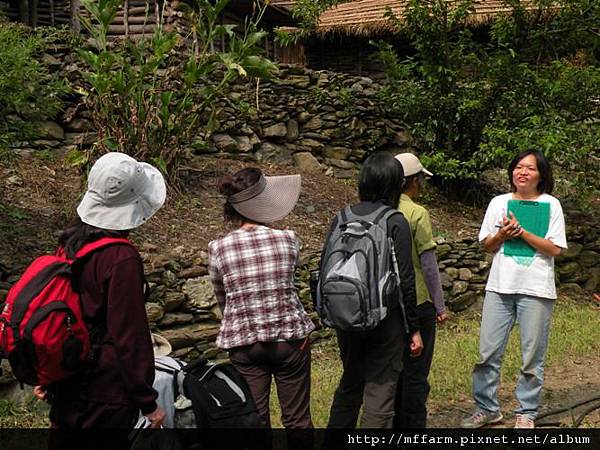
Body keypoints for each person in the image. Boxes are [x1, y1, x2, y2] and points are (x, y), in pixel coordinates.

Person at [34, 152, 167, 449]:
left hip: (67, 379)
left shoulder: (70, 244)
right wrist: (148, 401)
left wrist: (49, 374)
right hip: (105, 391)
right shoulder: (121, 257)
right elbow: (128, 334)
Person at [208, 168, 315, 444]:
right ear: (264, 203)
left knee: (254, 422)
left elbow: (224, 300)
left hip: (245, 344)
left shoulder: (219, 248)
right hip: (290, 340)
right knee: (298, 421)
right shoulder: (289, 240)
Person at [461, 150, 567, 429]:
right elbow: (487, 245)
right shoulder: (499, 202)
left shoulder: (551, 204)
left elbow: (555, 248)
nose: (522, 172)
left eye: (529, 168)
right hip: (499, 286)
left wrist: (522, 233)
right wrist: (502, 235)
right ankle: (487, 408)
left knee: (532, 356)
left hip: (537, 289)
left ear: (541, 175)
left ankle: (527, 412)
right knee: (487, 352)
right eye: (518, 167)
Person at [326, 152, 423, 429]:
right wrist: (413, 328)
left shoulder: (341, 217)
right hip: (385, 320)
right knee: (380, 389)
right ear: (395, 184)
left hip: (347, 316)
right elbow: (405, 279)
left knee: (350, 383)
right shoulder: (394, 220)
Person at [393, 152, 448, 429]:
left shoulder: (378, 209)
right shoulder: (416, 213)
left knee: (392, 371)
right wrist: (439, 305)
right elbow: (428, 265)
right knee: (416, 371)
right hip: (417, 302)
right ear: (413, 182)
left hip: (386, 304)